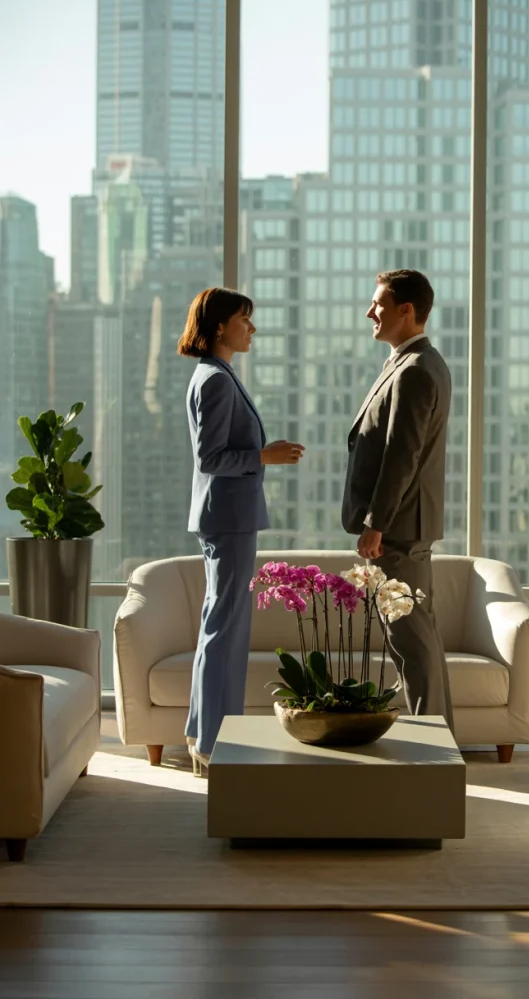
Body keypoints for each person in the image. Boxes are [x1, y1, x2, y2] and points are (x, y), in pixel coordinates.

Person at [177, 287, 304, 773]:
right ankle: (212, 742)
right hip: (228, 518)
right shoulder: (215, 380)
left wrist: (260, 455)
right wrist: (263, 456)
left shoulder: (218, 375)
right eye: (244, 319)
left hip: (227, 517)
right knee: (225, 629)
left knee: (220, 623)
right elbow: (210, 458)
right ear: (218, 328)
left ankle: (200, 733)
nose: (251, 328)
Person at [341, 269, 454, 735]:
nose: (371, 312)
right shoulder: (409, 363)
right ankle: (438, 737)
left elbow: (400, 456)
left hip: (400, 528)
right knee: (414, 636)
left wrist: (376, 523)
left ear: (406, 310)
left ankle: (433, 744)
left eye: (379, 304)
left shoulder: (416, 370)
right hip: (404, 525)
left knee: (410, 639)